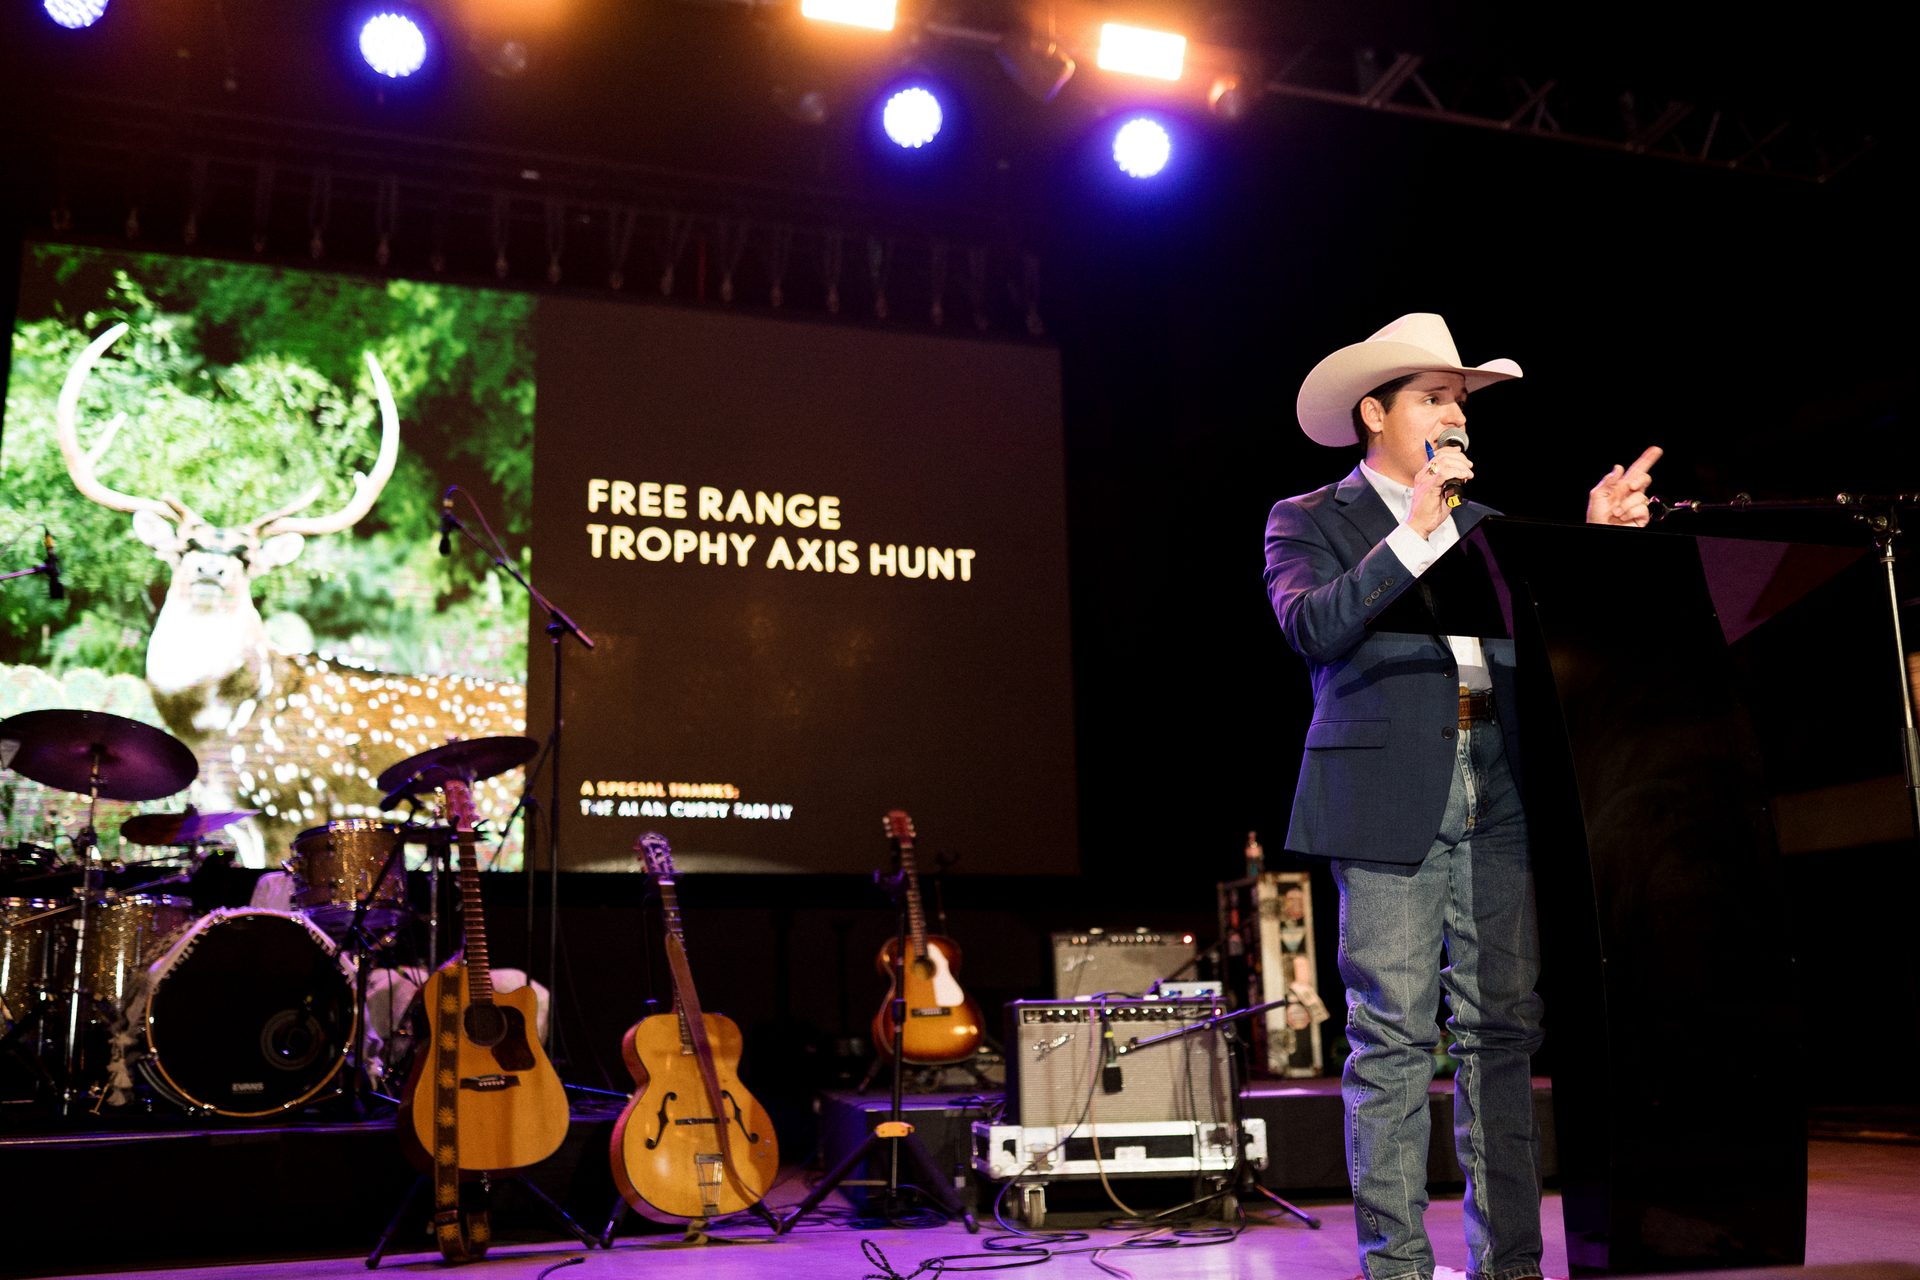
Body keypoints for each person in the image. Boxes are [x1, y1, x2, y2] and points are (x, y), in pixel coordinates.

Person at [1262, 313, 1659, 1280]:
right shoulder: (1307, 518)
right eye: (1436, 398)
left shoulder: (1492, 531)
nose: (1458, 417)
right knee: (1392, 1034)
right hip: (1390, 790)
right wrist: (1414, 531)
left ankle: (1510, 1265)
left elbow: (1567, 645)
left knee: (1501, 1030)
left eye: (1462, 401)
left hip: (1502, 785)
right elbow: (1314, 627)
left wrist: (1598, 547)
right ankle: (1396, 1269)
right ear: (1374, 412)